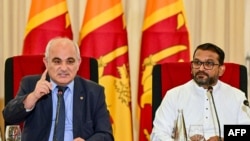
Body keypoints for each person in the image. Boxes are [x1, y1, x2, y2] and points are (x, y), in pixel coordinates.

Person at [2, 37, 114, 141]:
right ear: (46, 63)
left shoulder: (94, 92)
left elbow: (106, 135)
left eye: (70, 61)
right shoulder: (31, 84)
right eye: (57, 61)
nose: (64, 68)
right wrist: (34, 96)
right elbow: (9, 116)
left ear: (78, 63)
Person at [150, 43, 250, 141]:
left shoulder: (237, 97)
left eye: (209, 63)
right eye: (197, 63)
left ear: (221, 70)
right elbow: (157, 135)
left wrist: (223, 138)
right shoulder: (174, 95)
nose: (201, 68)